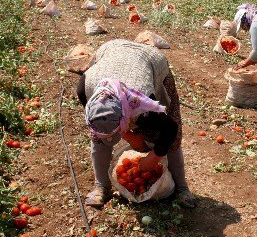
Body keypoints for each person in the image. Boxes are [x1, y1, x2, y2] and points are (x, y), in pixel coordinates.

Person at [76, 39, 196, 208]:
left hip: (150, 61)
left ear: (127, 115)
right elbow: (103, 124)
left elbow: (171, 129)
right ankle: (101, 185)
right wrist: (125, 134)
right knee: (98, 138)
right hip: (112, 51)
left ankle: (182, 188)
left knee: (170, 135)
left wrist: (154, 158)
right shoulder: (85, 89)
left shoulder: (145, 106)